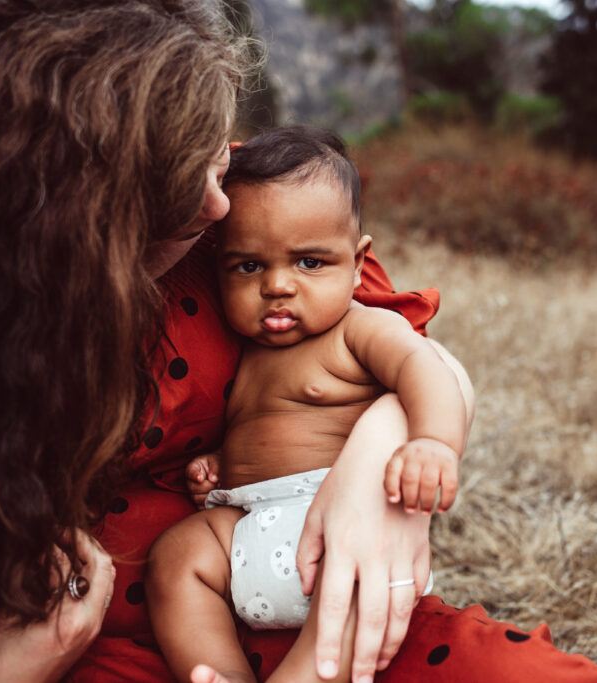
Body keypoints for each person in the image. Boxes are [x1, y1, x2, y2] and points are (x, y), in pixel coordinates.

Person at [0, 1, 597, 682]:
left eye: (215, 154)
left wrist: (373, 466)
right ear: (69, 205)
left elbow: (419, 358)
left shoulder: (243, 212)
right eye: (173, 182)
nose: (217, 200)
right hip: (113, 650)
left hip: (333, 608)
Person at [144, 126, 469, 683]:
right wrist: (219, 466)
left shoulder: (360, 329)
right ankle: (219, 672)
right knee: (175, 559)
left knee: (349, 604)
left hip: (340, 525)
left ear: (358, 261)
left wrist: (433, 442)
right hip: (245, 523)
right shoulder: (240, 348)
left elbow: (426, 367)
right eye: (249, 267)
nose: (278, 286)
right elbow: (262, 431)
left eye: (310, 264)